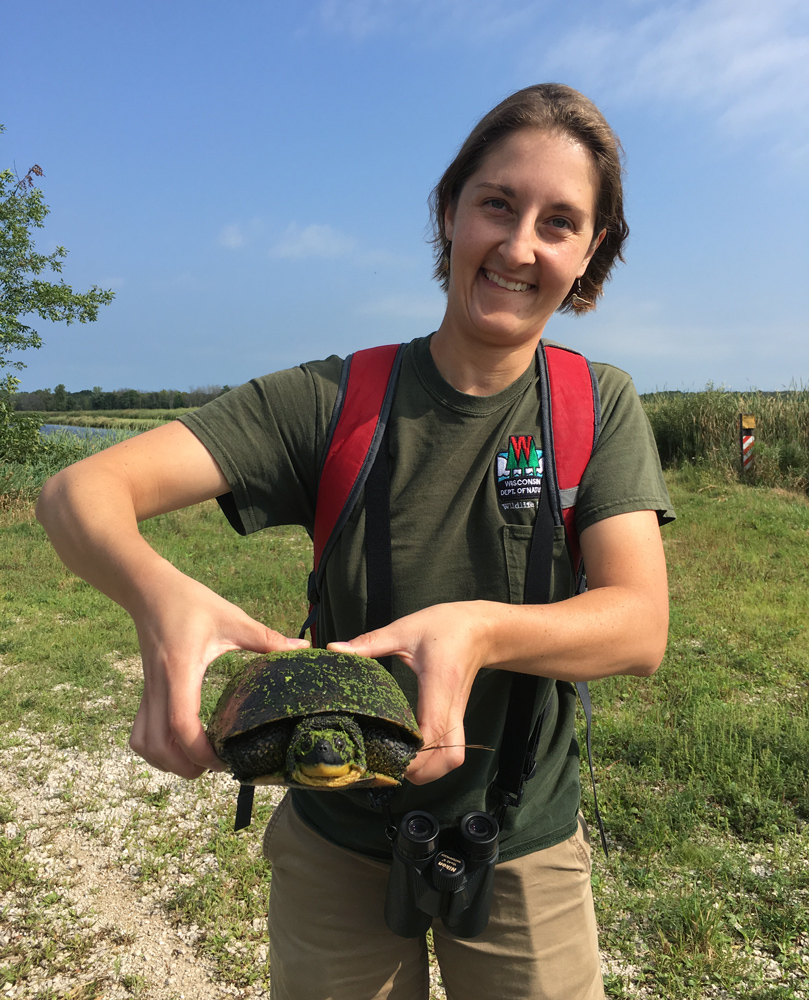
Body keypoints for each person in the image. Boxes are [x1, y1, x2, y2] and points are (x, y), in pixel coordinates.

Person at [36, 83, 674, 1000]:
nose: (519, 244)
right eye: (497, 203)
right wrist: (158, 595)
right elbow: (77, 491)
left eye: (559, 221)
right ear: (448, 209)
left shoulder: (594, 404)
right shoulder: (331, 401)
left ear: (591, 251)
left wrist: (478, 632)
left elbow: (636, 624)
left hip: (520, 839)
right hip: (335, 841)